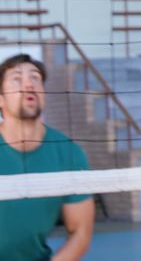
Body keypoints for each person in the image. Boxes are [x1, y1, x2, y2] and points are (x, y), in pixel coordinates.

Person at [0, 53, 94, 261]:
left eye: (35, 78)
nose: (29, 84)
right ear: (0, 98)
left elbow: (80, 231)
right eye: (17, 79)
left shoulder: (69, 153)